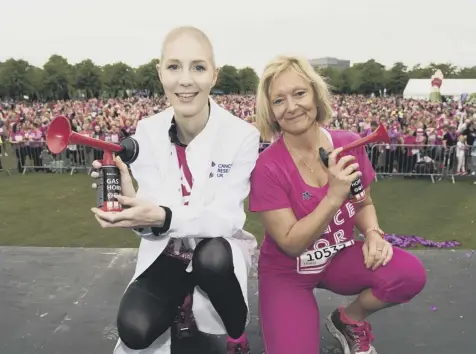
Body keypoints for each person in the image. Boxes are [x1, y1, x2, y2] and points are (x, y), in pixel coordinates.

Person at [90, 26, 260, 354]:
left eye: (198, 67)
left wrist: (164, 216)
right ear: (160, 73)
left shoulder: (242, 135)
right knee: (134, 330)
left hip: (216, 251)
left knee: (211, 258)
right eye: (174, 67)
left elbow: (224, 217)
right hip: (169, 250)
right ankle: (182, 300)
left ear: (214, 75)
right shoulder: (148, 131)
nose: (185, 80)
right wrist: (133, 208)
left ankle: (237, 336)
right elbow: (150, 217)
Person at [248, 55, 427, 354]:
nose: (291, 106)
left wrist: (372, 233)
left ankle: (349, 320)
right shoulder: (267, 167)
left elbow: (363, 202)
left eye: (299, 93)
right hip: (287, 272)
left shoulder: (348, 144)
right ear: (271, 112)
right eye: (279, 100)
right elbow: (292, 244)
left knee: (408, 275)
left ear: (316, 95)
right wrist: (333, 195)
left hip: (338, 259)